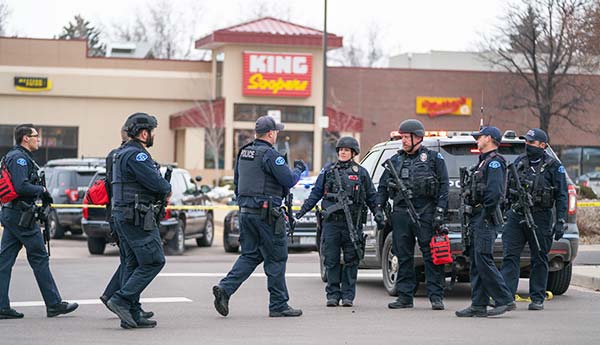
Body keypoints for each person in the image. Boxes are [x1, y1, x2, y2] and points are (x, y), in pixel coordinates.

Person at [212, 115, 306, 318]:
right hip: (267, 216)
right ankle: (279, 305)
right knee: (276, 258)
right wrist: (299, 169)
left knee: (250, 255)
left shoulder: (244, 152)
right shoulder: (270, 155)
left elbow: (237, 183)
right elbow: (288, 180)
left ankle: (225, 289)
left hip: (246, 213)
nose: (277, 135)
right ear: (271, 133)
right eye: (276, 132)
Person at [0, 124, 79, 319]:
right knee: (39, 257)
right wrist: (42, 191)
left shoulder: (17, 156)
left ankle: (2, 306)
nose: (39, 139)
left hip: (13, 214)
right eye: (36, 136)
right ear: (25, 138)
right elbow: (20, 186)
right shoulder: (19, 158)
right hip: (21, 216)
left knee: (4, 261)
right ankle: (53, 304)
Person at [375, 119, 449, 310]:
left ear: (418, 137)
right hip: (400, 214)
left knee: (431, 256)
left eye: (406, 137)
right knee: (403, 255)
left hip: (426, 213)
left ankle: (436, 297)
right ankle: (405, 297)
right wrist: (378, 207)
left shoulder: (434, 159)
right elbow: (383, 187)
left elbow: (443, 186)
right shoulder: (395, 161)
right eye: (402, 137)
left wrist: (440, 212)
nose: (404, 141)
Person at [296, 137, 378, 307]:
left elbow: (371, 196)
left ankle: (348, 296)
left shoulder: (361, 172)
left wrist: (379, 213)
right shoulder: (328, 171)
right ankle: (332, 295)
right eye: (341, 149)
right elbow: (316, 193)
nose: (342, 152)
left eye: (346, 150)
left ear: (353, 153)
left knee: (351, 259)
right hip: (331, 223)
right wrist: (302, 211)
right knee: (331, 259)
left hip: (352, 223)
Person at [106, 113, 171, 329]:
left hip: (123, 216)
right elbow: (158, 185)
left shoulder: (121, 153)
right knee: (154, 260)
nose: (153, 136)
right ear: (144, 133)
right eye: (152, 132)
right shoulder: (137, 156)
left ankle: (132, 313)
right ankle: (121, 299)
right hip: (136, 217)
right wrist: (166, 188)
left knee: (133, 263)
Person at [501, 128, 568, 311]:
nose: (527, 145)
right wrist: (505, 211)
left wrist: (561, 220)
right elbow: (507, 190)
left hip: (541, 216)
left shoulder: (553, 166)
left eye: (531, 142)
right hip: (517, 215)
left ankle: (537, 298)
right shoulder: (519, 162)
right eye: (527, 142)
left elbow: (562, 195)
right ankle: (506, 298)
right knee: (510, 256)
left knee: (539, 257)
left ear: (542, 145)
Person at [456, 126, 516, 317]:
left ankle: (504, 299)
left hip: (486, 218)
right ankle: (478, 304)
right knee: (476, 260)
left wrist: (484, 216)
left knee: (483, 259)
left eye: (479, 137)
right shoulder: (483, 163)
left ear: (489, 138)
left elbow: (495, 193)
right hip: (477, 216)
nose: (477, 140)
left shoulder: (495, 163)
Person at [99, 124, 153, 320]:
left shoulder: (116, 155)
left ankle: (129, 305)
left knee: (130, 260)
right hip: (126, 213)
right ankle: (119, 300)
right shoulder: (127, 156)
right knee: (131, 261)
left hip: (117, 212)